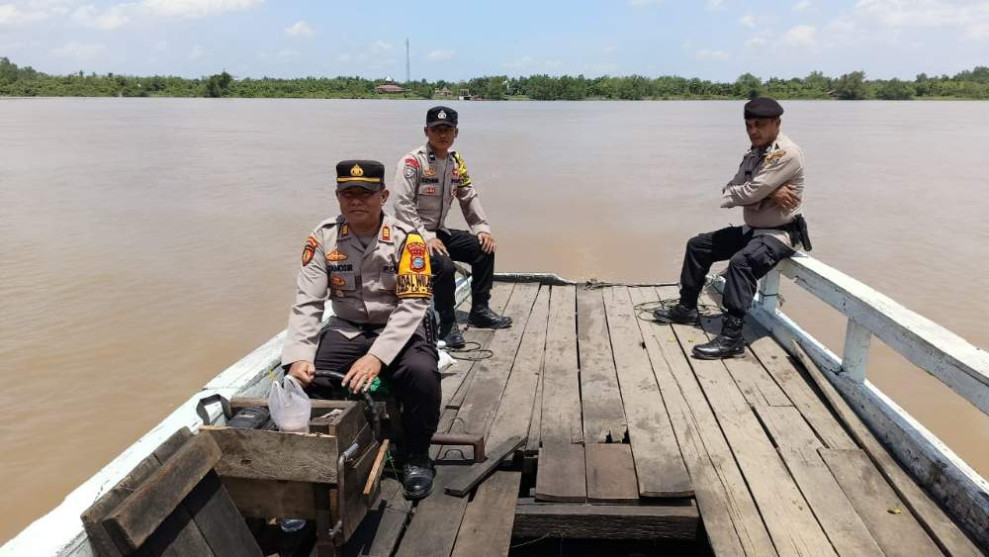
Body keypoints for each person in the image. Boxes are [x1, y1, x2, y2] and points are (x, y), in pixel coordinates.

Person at [281, 160, 440, 499]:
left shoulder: (408, 239)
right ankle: (331, 452)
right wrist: (297, 357)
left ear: (383, 195)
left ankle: (417, 455)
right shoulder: (322, 237)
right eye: (347, 193)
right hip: (347, 328)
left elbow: (413, 306)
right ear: (337, 196)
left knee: (422, 374)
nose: (356, 201)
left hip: (400, 328)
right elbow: (308, 302)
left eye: (365, 194)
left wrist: (376, 358)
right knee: (311, 379)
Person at [654, 97, 810, 359]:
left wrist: (757, 192)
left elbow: (749, 192)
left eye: (759, 124)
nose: (753, 130)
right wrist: (769, 193)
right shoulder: (754, 153)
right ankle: (687, 308)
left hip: (779, 233)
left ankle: (732, 338)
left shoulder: (787, 154)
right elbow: (729, 190)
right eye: (749, 125)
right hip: (752, 229)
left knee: (742, 263)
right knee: (698, 245)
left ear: (777, 123)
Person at [390, 106, 511, 349]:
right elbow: (401, 204)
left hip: (439, 232)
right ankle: (446, 324)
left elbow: (468, 196)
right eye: (436, 129)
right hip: (410, 236)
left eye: (447, 129)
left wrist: (482, 228)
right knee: (444, 265)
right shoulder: (413, 163)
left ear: (456, 132)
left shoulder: (456, 162)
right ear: (426, 131)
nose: (442, 134)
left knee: (483, 249)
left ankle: (480, 310)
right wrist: (424, 237)